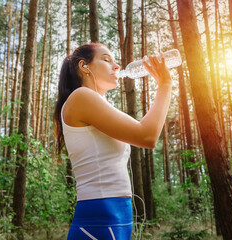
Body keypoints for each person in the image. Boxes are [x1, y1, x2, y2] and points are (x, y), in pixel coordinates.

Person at [53, 43, 173, 240]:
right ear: (85, 67)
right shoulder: (81, 97)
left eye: (115, 61)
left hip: (117, 214)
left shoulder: (96, 103)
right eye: (107, 60)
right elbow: (148, 136)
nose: (117, 66)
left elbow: (145, 132)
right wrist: (165, 85)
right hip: (100, 215)